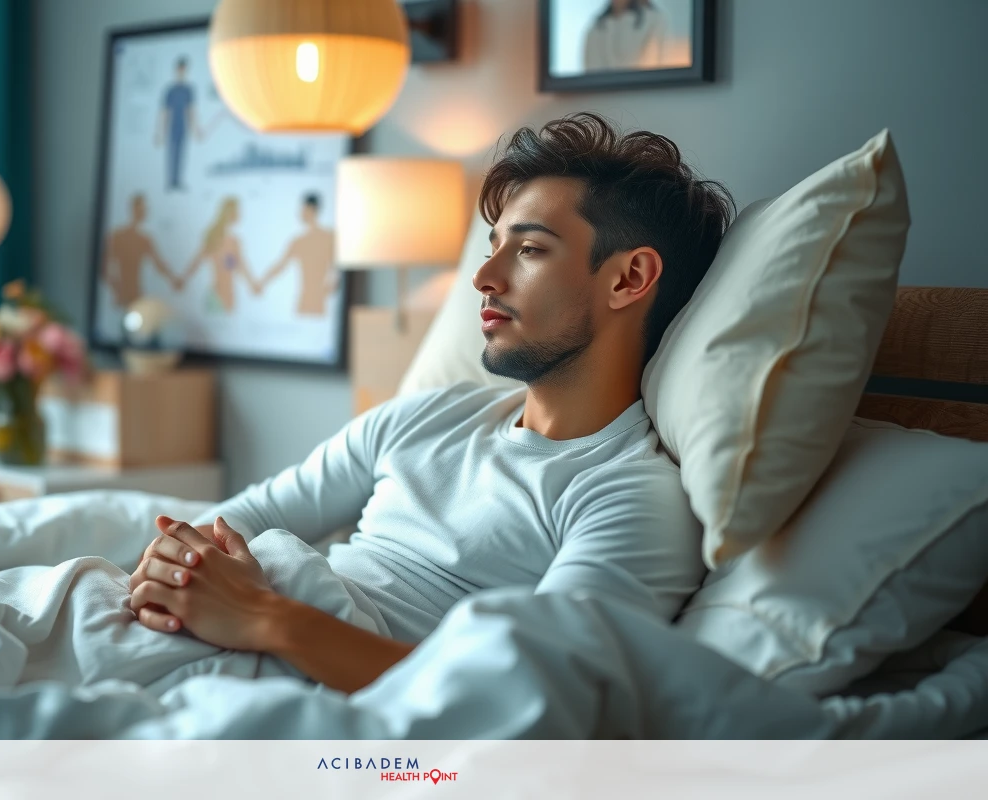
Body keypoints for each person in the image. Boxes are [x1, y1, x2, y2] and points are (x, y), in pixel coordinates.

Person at [129, 113, 735, 694]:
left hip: (277, 673)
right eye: (493, 244)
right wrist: (175, 563)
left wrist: (263, 618)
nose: (484, 277)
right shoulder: (429, 415)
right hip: (166, 634)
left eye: (529, 250)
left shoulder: (627, 493)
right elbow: (237, 521)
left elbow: (533, 694)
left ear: (629, 279)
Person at [255, 193, 339, 316]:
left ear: (313, 210)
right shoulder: (299, 241)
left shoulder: (329, 238)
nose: (301, 213)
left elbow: (337, 272)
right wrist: (262, 282)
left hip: (318, 302)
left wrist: (329, 288)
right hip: (303, 301)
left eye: (304, 209)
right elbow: (280, 266)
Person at [182, 196, 260, 313]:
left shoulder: (234, 241)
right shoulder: (215, 239)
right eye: (237, 211)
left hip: (229, 296)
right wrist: (183, 280)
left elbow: (240, 267)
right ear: (230, 213)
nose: (239, 215)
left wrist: (252, 285)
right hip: (217, 296)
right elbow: (197, 261)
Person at [101, 193, 180, 309]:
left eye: (145, 209)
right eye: (141, 209)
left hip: (137, 294)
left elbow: (159, 264)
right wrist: (116, 288)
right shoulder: (117, 236)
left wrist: (173, 279)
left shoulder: (144, 239)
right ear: (133, 210)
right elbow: (103, 267)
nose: (144, 212)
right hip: (122, 296)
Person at [155, 57, 204, 191]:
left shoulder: (188, 90)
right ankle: (171, 181)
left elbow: (191, 111)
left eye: (184, 70)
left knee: (181, 153)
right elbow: (165, 112)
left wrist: (196, 130)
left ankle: (178, 181)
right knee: (172, 152)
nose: (182, 72)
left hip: (183, 126)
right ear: (176, 70)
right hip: (172, 126)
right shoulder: (170, 90)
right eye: (180, 69)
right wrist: (160, 133)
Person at [583, 0, 667, 71]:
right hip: (604, 88)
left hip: (639, 87)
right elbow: (591, 70)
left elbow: (652, 65)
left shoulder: (653, 20)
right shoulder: (596, 28)